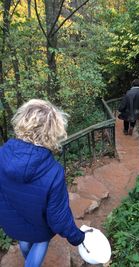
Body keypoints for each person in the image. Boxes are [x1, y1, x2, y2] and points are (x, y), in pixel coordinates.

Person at [0, 99, 85, 267]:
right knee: (40, 240)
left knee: (24, 238)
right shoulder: (53, 172)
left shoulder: (1, 154)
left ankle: (28, 261)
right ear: (53, 131)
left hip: (10, 221)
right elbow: (58, 217)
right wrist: (78, 237)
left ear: (22, 121)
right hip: (39, 228)